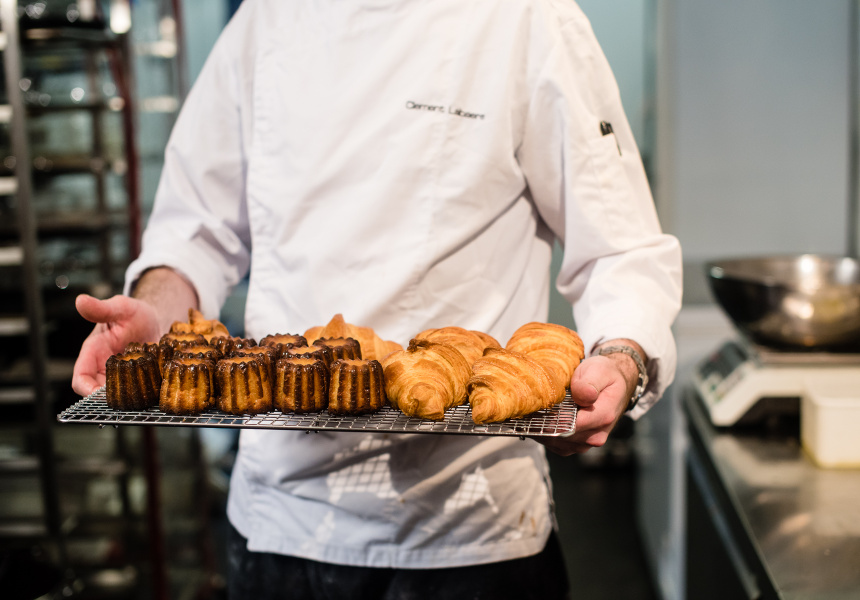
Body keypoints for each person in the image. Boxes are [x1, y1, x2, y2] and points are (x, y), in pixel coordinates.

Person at [72, 0, 682, 597]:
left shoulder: (528, 19)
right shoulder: (265, 21)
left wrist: (623, 355)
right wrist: (155, 310)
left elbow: (619, 248)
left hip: (469, 526)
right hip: (283, 521)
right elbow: (196, 232)